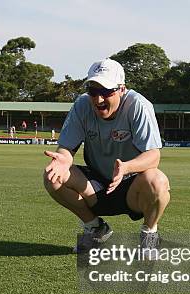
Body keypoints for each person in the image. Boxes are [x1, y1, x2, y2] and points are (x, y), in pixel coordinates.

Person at [43, 58, 170, 254]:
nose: (98, 99)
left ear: (121, 89)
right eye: (93, 91)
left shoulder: (138, 105)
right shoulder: (82, 105)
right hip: (96, 186)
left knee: (158, 181)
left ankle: (149, 233)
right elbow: (66, 149)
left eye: (106, 92)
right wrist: (63, 159)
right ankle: (95, 228)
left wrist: (126, 167)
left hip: (131, 187)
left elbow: (153, 156)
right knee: (53, 175)